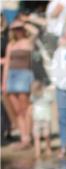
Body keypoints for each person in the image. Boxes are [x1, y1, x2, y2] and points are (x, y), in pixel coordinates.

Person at [2, 19, 35, 150]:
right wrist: (4, 82)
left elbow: (36, 31)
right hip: (12, 76)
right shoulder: (11, 44)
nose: (17, 31)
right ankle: (23, 137)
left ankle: (28, 137)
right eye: (14, 29)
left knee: (25, 108)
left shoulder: (28, 42)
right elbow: (7, 64)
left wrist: (24, 22)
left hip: (24, 75)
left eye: (19, 28)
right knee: (17, 111)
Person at [30, 79, 53, 158]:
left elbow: (51, 100)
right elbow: (31, 105)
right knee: (36, 136)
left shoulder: (46, 96)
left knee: (46, 135)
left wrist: (45, 90)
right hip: (36, 120)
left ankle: (48, 148)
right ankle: (38, 151)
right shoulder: (33, 97)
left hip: (46, 119)